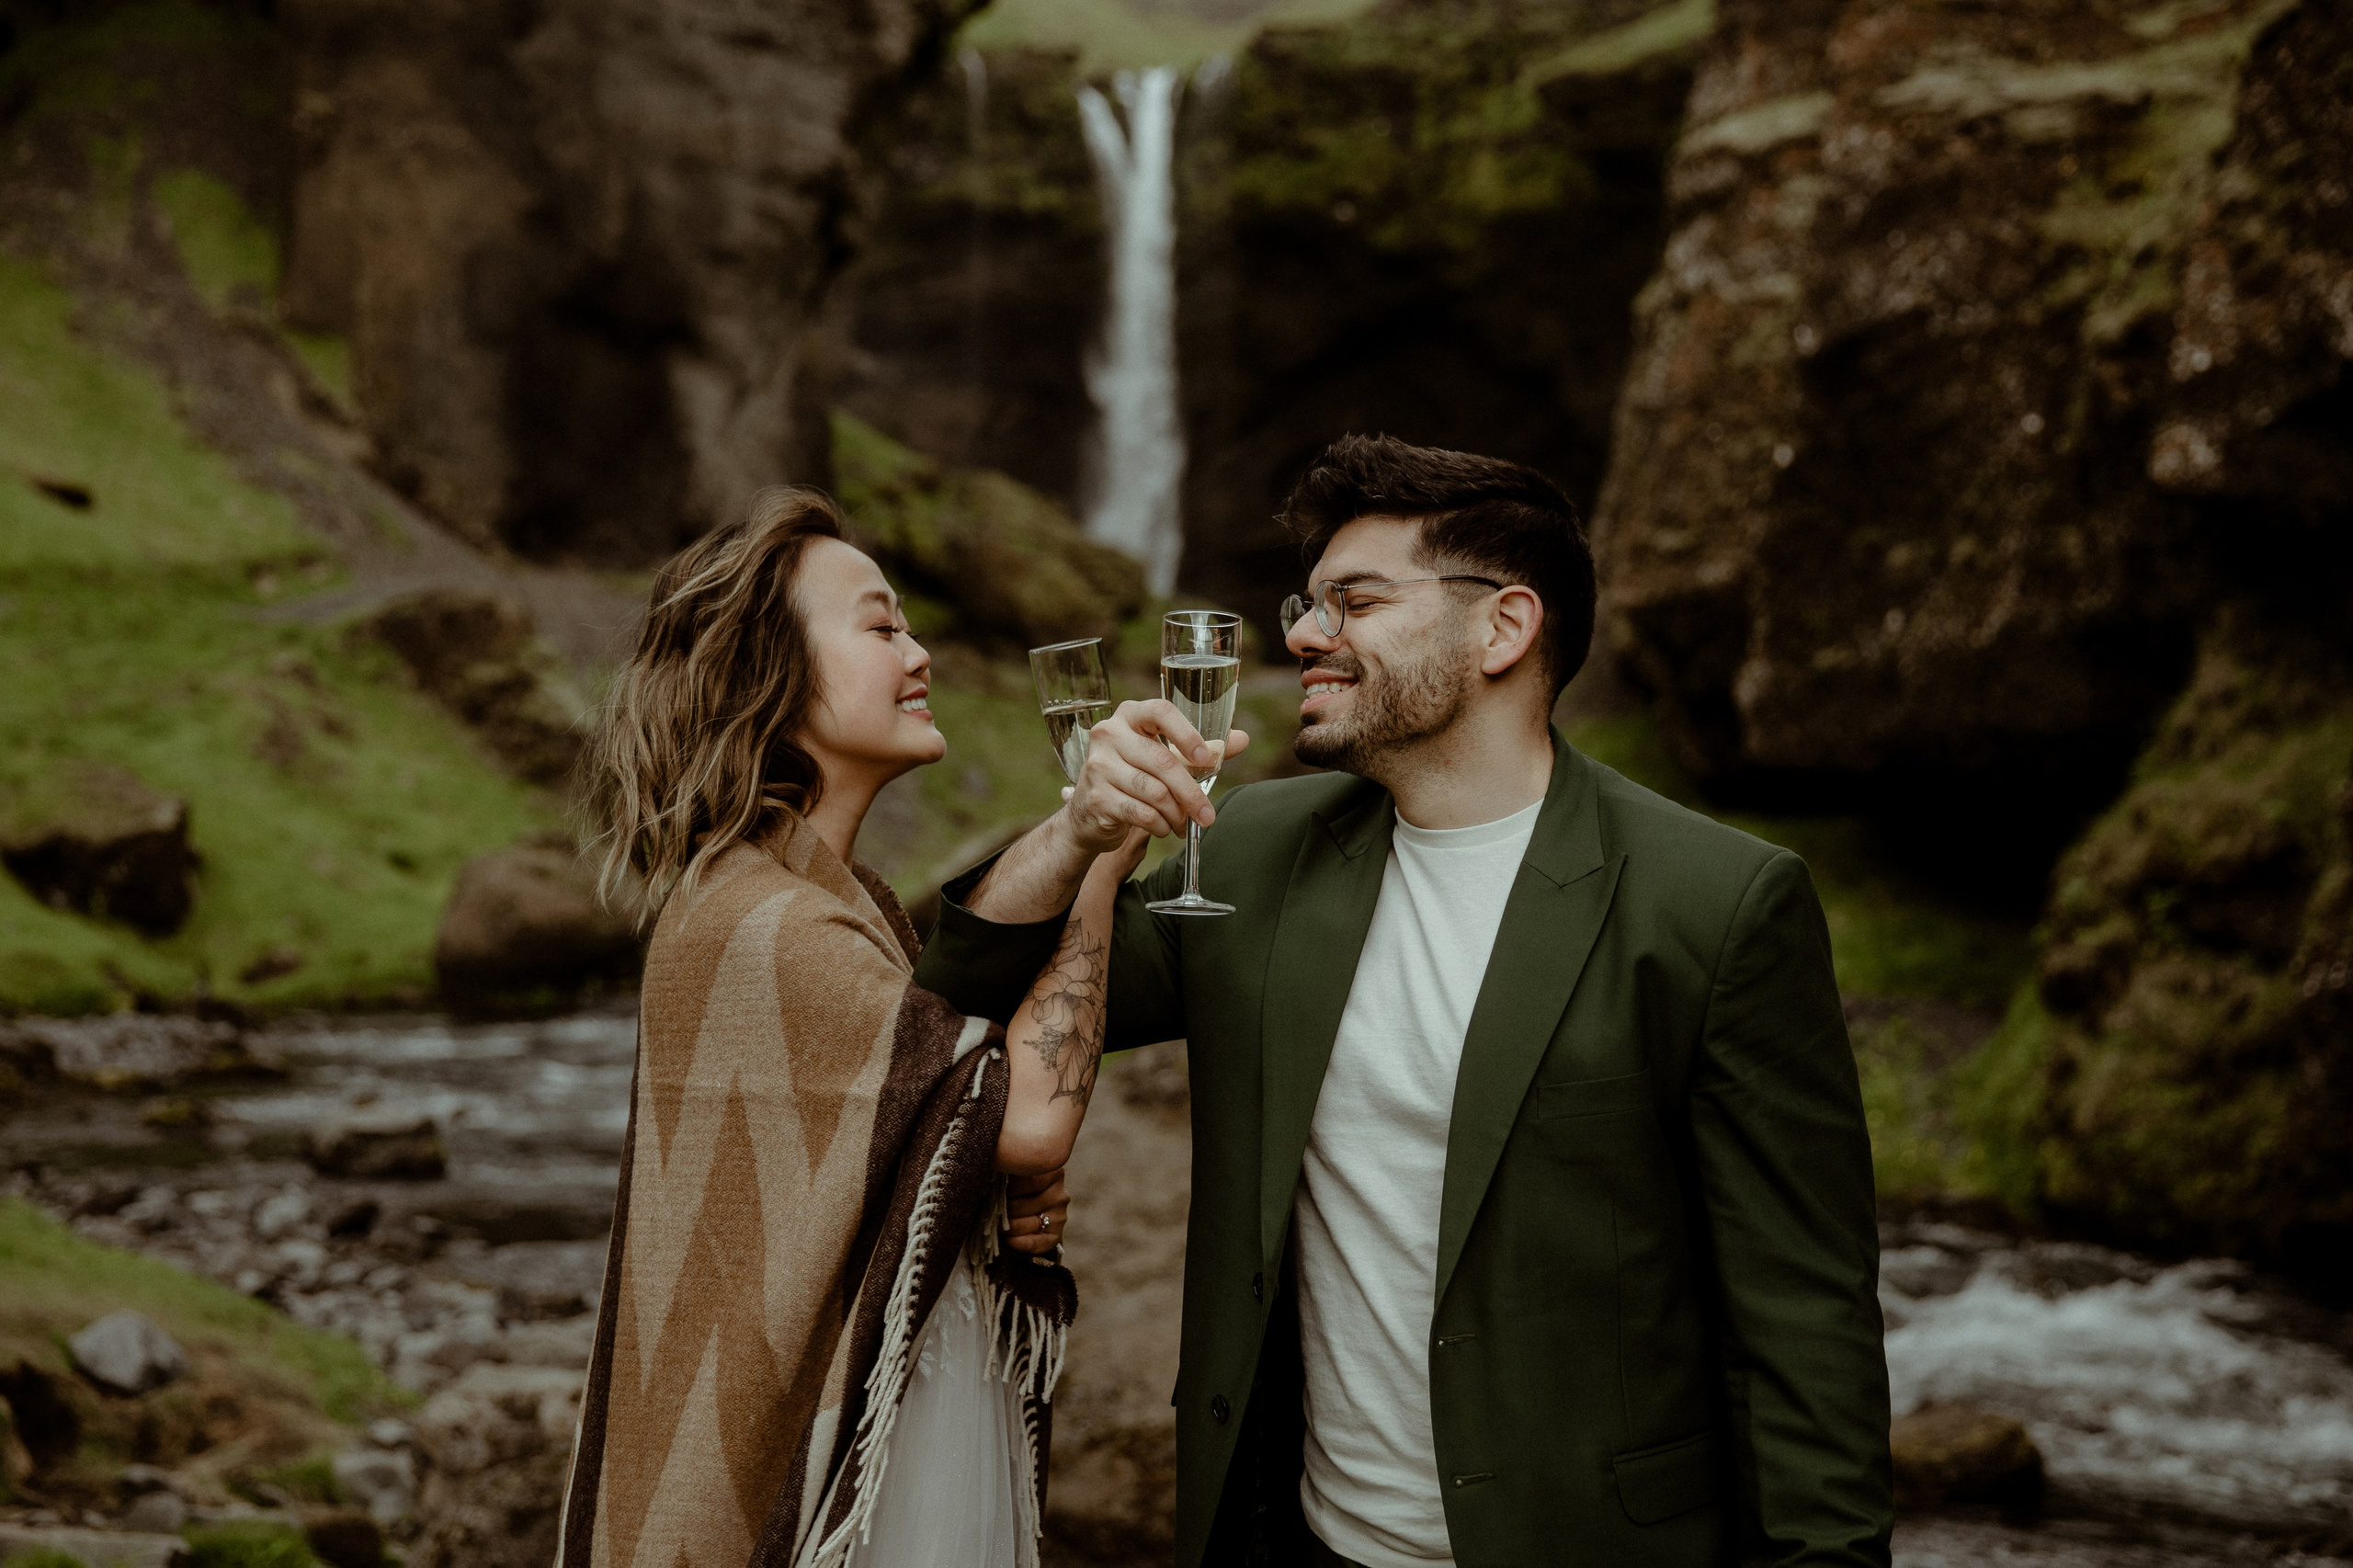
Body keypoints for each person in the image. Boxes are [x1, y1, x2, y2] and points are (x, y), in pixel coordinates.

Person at [915, 436, 1894, 1567]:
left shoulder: (1718, 902)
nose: (1301, 633)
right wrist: (1081, 829)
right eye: (1307, 600)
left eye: (1355, 600)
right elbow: (960, 997)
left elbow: (1803, 1322)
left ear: (1504, 627)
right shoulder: (1247, 858)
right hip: (1298, 1540)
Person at [556, 486, 1142, 1568]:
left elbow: (919, 1102)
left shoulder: (812, 896)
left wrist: (958, 1167)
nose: (916, 651)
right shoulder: (762, 923)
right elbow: (1023, 1123)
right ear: (767, 673)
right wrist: (1104, 852)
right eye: (879, 626)